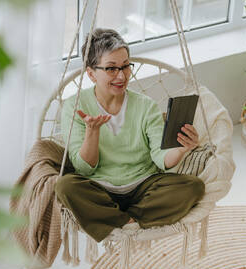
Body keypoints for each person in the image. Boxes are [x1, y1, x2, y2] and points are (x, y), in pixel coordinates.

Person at [55, 28, 205, 242]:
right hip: (99, 187)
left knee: (194, 187)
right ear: (91, 73)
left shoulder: (145, 106)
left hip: (143, 185)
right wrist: (92, 132)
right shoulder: (76, 106)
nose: (122, 75)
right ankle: (128, 220)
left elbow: (161, 159)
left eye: (126, 66)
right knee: (64, 186)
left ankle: (123, 220)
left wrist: (182, 148)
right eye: (111, 69)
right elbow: (83, 168)